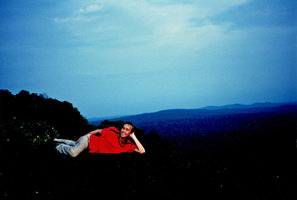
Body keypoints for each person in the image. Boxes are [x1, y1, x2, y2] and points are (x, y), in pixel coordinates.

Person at [54, 122, 145, 157]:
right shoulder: (113, 131)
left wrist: (133, 137)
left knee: (76, 144)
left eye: (127, 130)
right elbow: (98, 131)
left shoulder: (128, 145)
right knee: (73, 153)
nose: (123, 131)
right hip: (88, 140)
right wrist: (84, 136)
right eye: (123, 128)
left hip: (90, 148)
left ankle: (60, 140)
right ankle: (59, 146)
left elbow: (142, 151)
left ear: (130, 133)